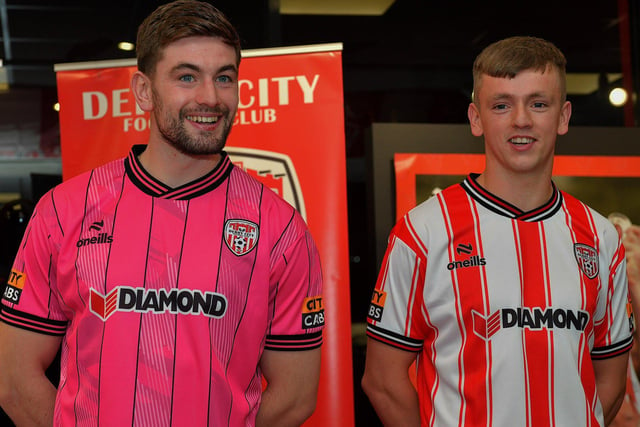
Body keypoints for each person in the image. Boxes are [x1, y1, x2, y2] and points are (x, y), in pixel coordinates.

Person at [0, 1, 324, 426]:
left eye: (224, 77)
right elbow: (14, 379)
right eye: (187, 76)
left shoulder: (281, 229)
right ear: (143, 91)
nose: (210, 97)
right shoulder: (63, 211)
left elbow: (296, 396)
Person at [361, 36, 632, 426]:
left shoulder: (601, 237)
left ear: (563, 116)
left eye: (539, 103)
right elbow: (383, 380)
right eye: (502, 105)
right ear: (476, 118)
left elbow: (610, 381)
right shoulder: (422, 231)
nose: (521, 120)